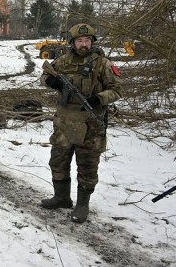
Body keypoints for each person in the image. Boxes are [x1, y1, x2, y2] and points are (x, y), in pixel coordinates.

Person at [40, 23, 123, 223]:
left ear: (92, 41)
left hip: (90, 124)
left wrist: (98, 99)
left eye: (87, 40)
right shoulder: (62, 61)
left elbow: (117, 90)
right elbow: (44, 76)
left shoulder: (103, 64)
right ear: (72, 43)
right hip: (64, 122)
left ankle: (82, 204)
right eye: (79, 41)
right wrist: (50, 82)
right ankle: (62, 197)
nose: (84, 44)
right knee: (58, 161)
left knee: (87, 166)